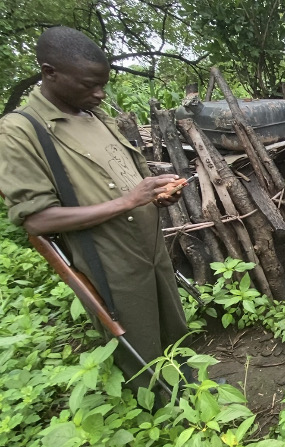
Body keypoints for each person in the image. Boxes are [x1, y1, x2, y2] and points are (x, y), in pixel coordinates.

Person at [0, 27, 190, 395]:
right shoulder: (21, 131)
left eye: (102, 84)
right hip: (106, 255)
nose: (100, 93)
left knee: (171, 320)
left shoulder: (96, 115)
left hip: (148, 242)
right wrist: (128, 201)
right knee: (137, 333)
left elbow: (126, 176)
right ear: (50, 72)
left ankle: (186, 383)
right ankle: (158, 407)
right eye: (90, 85)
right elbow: (37, 219)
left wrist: (156, 194)